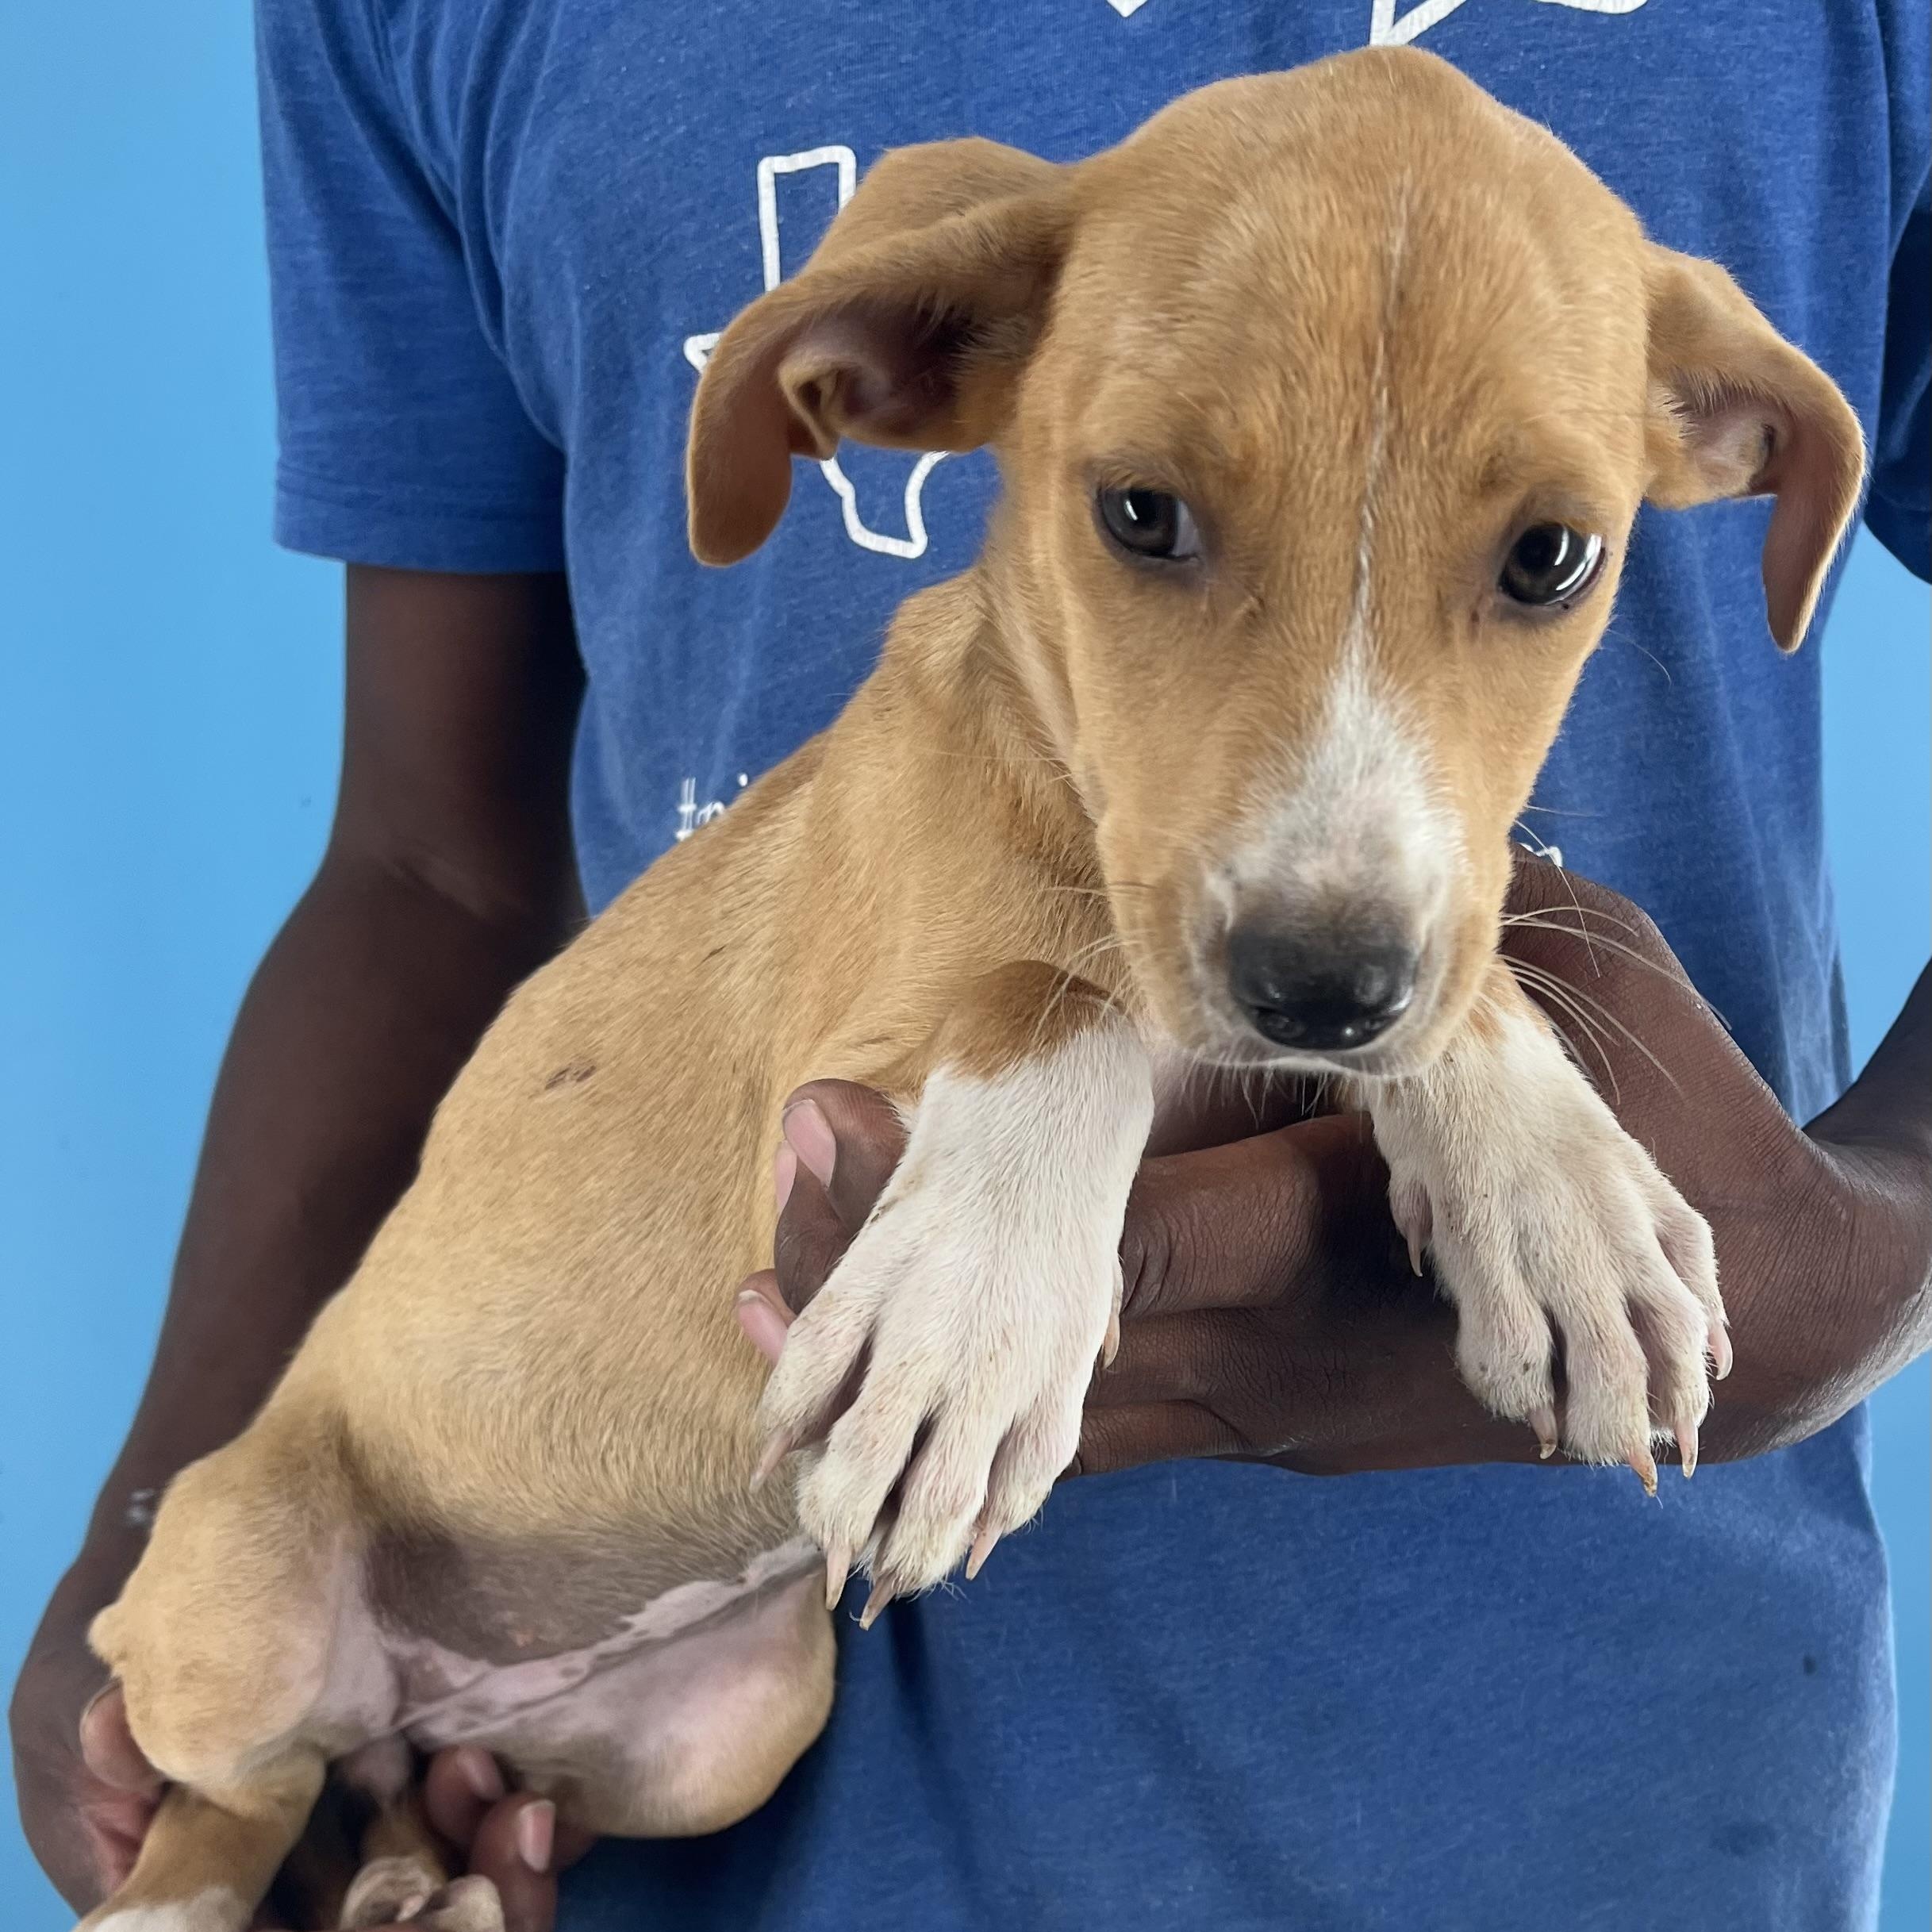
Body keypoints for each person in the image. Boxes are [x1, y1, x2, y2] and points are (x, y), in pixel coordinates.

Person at [11, 3, 1930, 1929]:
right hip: (751, 1817)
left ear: (1738, 443)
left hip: (1629, 1783)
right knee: (515, 1726)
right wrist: (171, 1527)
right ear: (899, 359)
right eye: (1152, 518)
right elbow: (429, 862)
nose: (1331, 881)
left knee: (716, 1722)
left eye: (1540, 564)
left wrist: (1873, 1248)